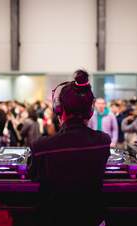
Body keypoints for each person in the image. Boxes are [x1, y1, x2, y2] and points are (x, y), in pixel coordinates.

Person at [27, 69, 111, 226]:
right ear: (90, 111)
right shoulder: (103, 141)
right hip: (93, 219)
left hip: (53, 219)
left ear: (59, 109)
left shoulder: (41, 147)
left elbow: (31, 175)